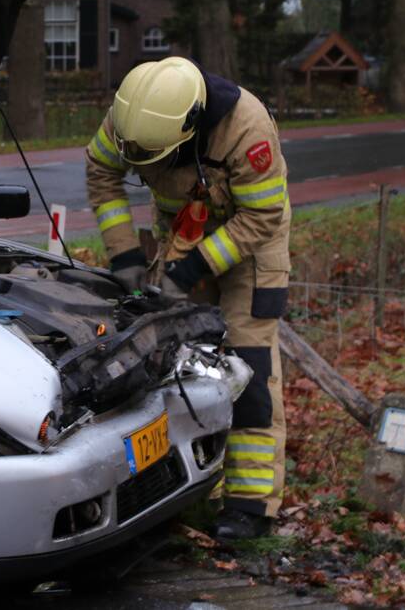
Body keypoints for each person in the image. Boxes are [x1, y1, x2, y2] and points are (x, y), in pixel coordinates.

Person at [86, 57, 290, 539]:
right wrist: (125, 258)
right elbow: (101, 171)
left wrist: (193, 268)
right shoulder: (132, 117)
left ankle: (250, 505)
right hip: (182, 233)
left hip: (252, 249)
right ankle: (180, 485)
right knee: (170, 363)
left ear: (190, 129)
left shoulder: (248, 129)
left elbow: (261, 219)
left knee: (248, 369)